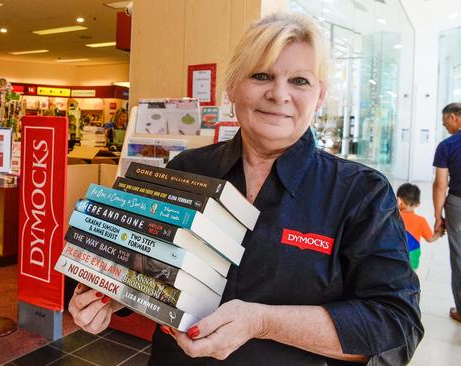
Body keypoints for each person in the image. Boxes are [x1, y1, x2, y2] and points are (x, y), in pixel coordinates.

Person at [68, 12, 424, 364]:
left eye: (299, 81)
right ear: (232, 87)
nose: (279, 94)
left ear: (319, 97)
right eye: (261, 75)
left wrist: (263, 323)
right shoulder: (186, 169)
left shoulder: (360, 193)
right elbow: (149, 267)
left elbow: (396, 324)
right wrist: (110, 296)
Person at [433, 102, 461, 323]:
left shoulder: (447, 146)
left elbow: (440, 184)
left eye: (446, 124)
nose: (446, 128)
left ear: (454, 117)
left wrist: (437, 216)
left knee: (459, 256)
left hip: (457, 205)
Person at [397, 183, 442, 270]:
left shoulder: (392, 217)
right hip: (412, 255)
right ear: (417, 204)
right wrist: (439, 232)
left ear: (399, 200)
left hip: (394, 254)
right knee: (410, 278)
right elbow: (430, 239)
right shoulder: (421, 221)